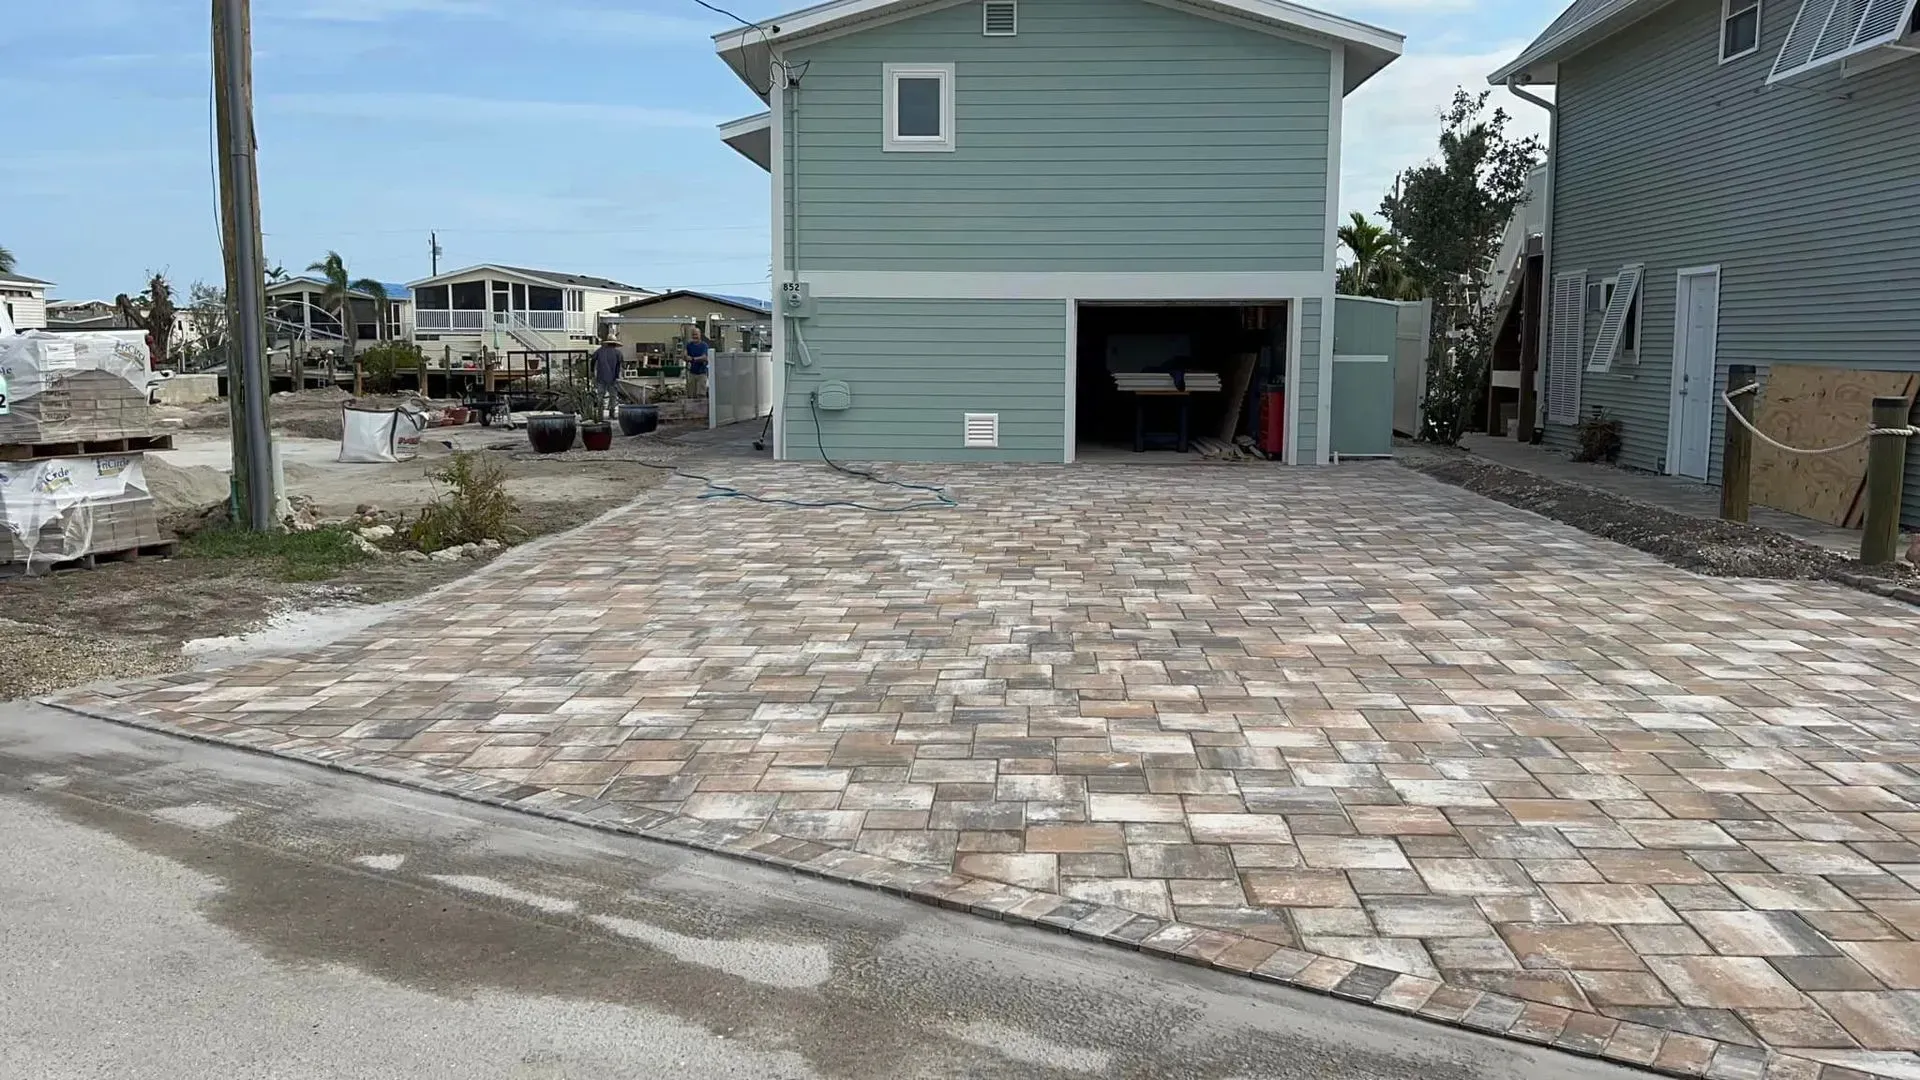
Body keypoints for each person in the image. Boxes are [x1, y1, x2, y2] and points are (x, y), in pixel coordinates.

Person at [591, 337, 623, 416]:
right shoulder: (618, 353)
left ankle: (600, 414)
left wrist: (592, 371)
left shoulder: (600, 351)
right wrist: (617, 376)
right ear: (615, 344)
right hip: (613, 378)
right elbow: (620, 366)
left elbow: (593, 360)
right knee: (613, 396)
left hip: (601, 377)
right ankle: (611, 413)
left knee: (600, 395)